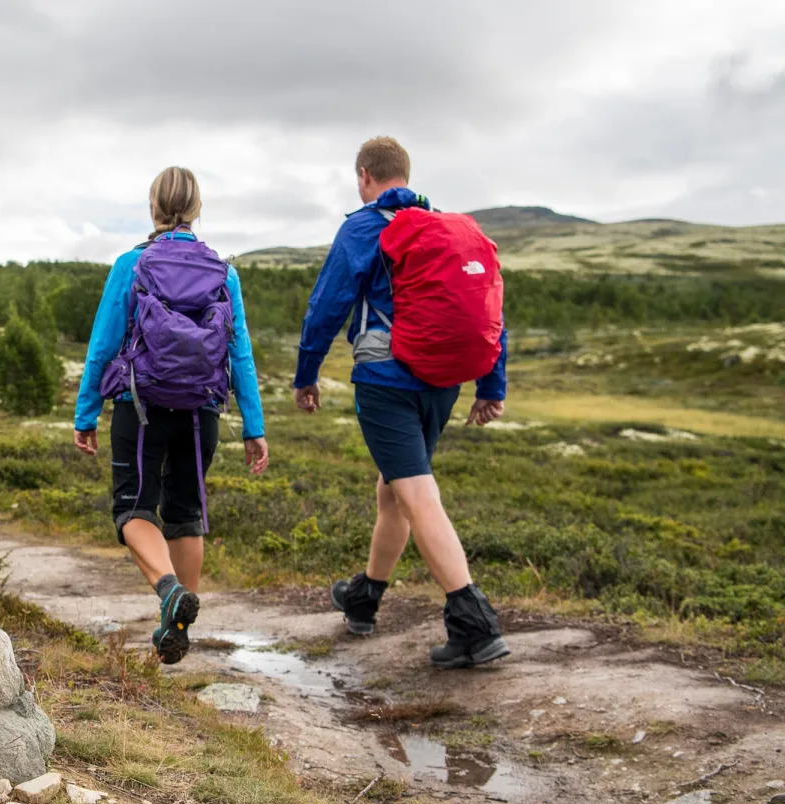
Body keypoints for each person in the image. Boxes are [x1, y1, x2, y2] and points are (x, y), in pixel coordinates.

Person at [294, 136, 511, 669]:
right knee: (392, 490)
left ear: (365, 176)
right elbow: (488, 307)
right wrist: (491, 384)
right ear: (406, 175)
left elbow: (327, 304)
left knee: (415, 493)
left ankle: (474, 622)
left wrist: (307, 373)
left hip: (387, 379)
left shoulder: (365, 226)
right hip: (443, 380)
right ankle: (364, 597)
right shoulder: (446, 229)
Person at [73, 166, 269, 665]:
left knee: (133, 511)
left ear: (154, 208)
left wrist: (86, 413)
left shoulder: (131, 264)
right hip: (201, 409)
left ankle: (168, 593)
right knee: (185, 516)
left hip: (141, 408)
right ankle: (177, 628)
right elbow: (239, 352)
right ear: (197, 209)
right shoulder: (224, 272)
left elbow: (102, 344)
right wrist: (254, 426)